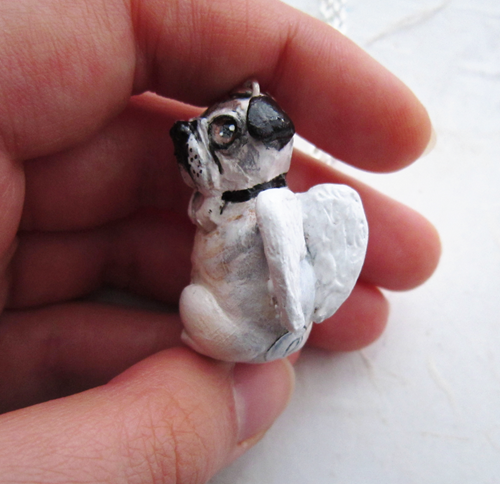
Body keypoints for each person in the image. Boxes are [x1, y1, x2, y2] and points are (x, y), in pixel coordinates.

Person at [0, 0, 441, 482]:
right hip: (232, 323)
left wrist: (292, 324)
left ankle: (232, 341)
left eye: (223, 134)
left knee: (194, 304)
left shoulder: (274, 207)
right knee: (194, 305)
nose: (196, 143)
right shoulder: (222, 201)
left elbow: (289, 279)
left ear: (266, 143)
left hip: (253, 329)